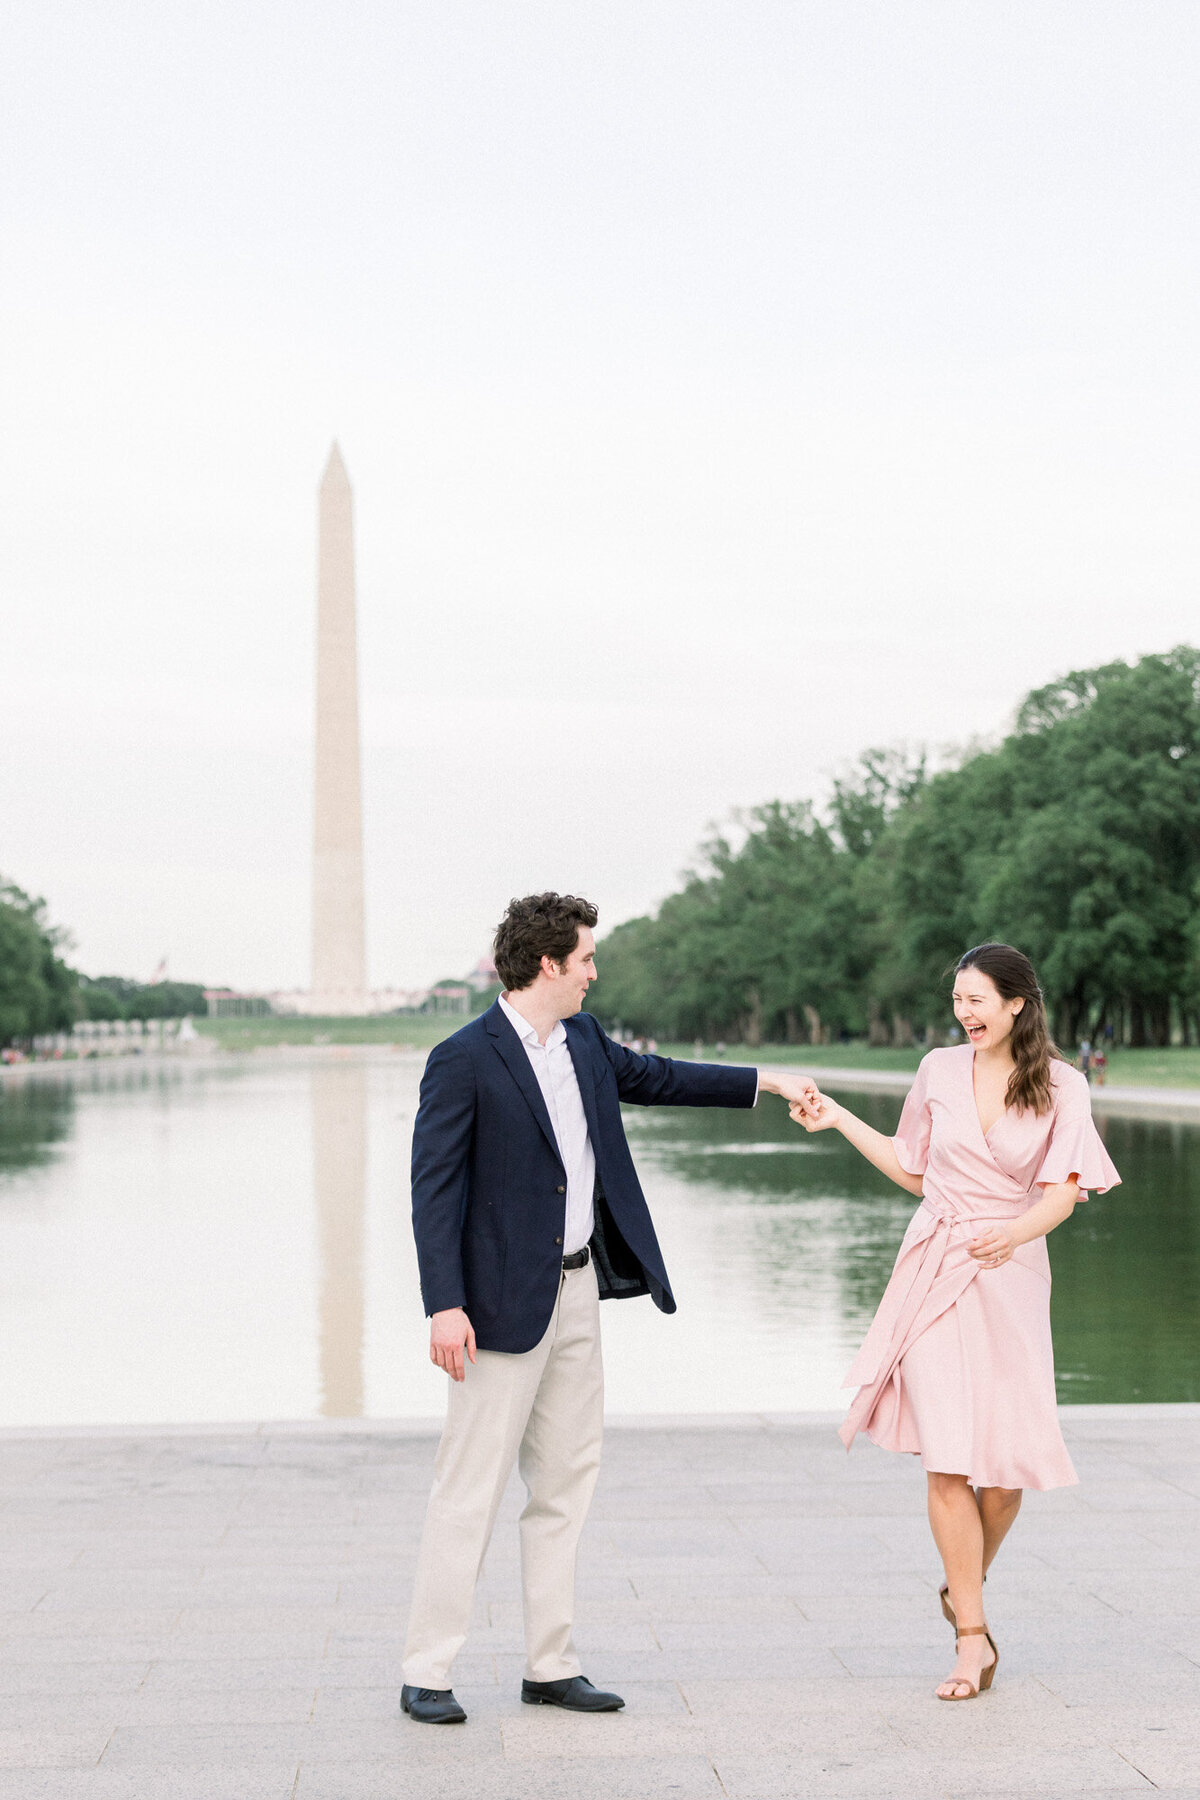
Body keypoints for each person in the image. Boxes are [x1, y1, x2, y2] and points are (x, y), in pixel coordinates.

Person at [401, 892, 817, 1724]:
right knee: (469, 1489)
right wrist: (443, 1305)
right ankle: (428, 1670)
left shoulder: (586, 1042)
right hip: (495, 1309)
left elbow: (660, 1079)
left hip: (579, 1289)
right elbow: (433, 1191)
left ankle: (551, 1666)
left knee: (565, 1482)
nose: (595, 972)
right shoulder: (463, 1058)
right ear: (548, 964)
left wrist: (767, 1081)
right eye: (587, 958)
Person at [789, 942, 1119, 1701]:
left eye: (978, 999)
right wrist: (840, 1118)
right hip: (934, 1265)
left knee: (1002, 1477)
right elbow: (915, 1168)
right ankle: (971, 1638)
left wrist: (1014, 1233)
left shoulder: (1064, 1086)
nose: (964, 1012)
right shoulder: (937, 1070)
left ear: (1017, 1004)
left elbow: (1063, 1194)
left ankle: (958, 1583)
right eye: (958, 1000)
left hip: (1012, 1267)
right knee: (948, 1458)